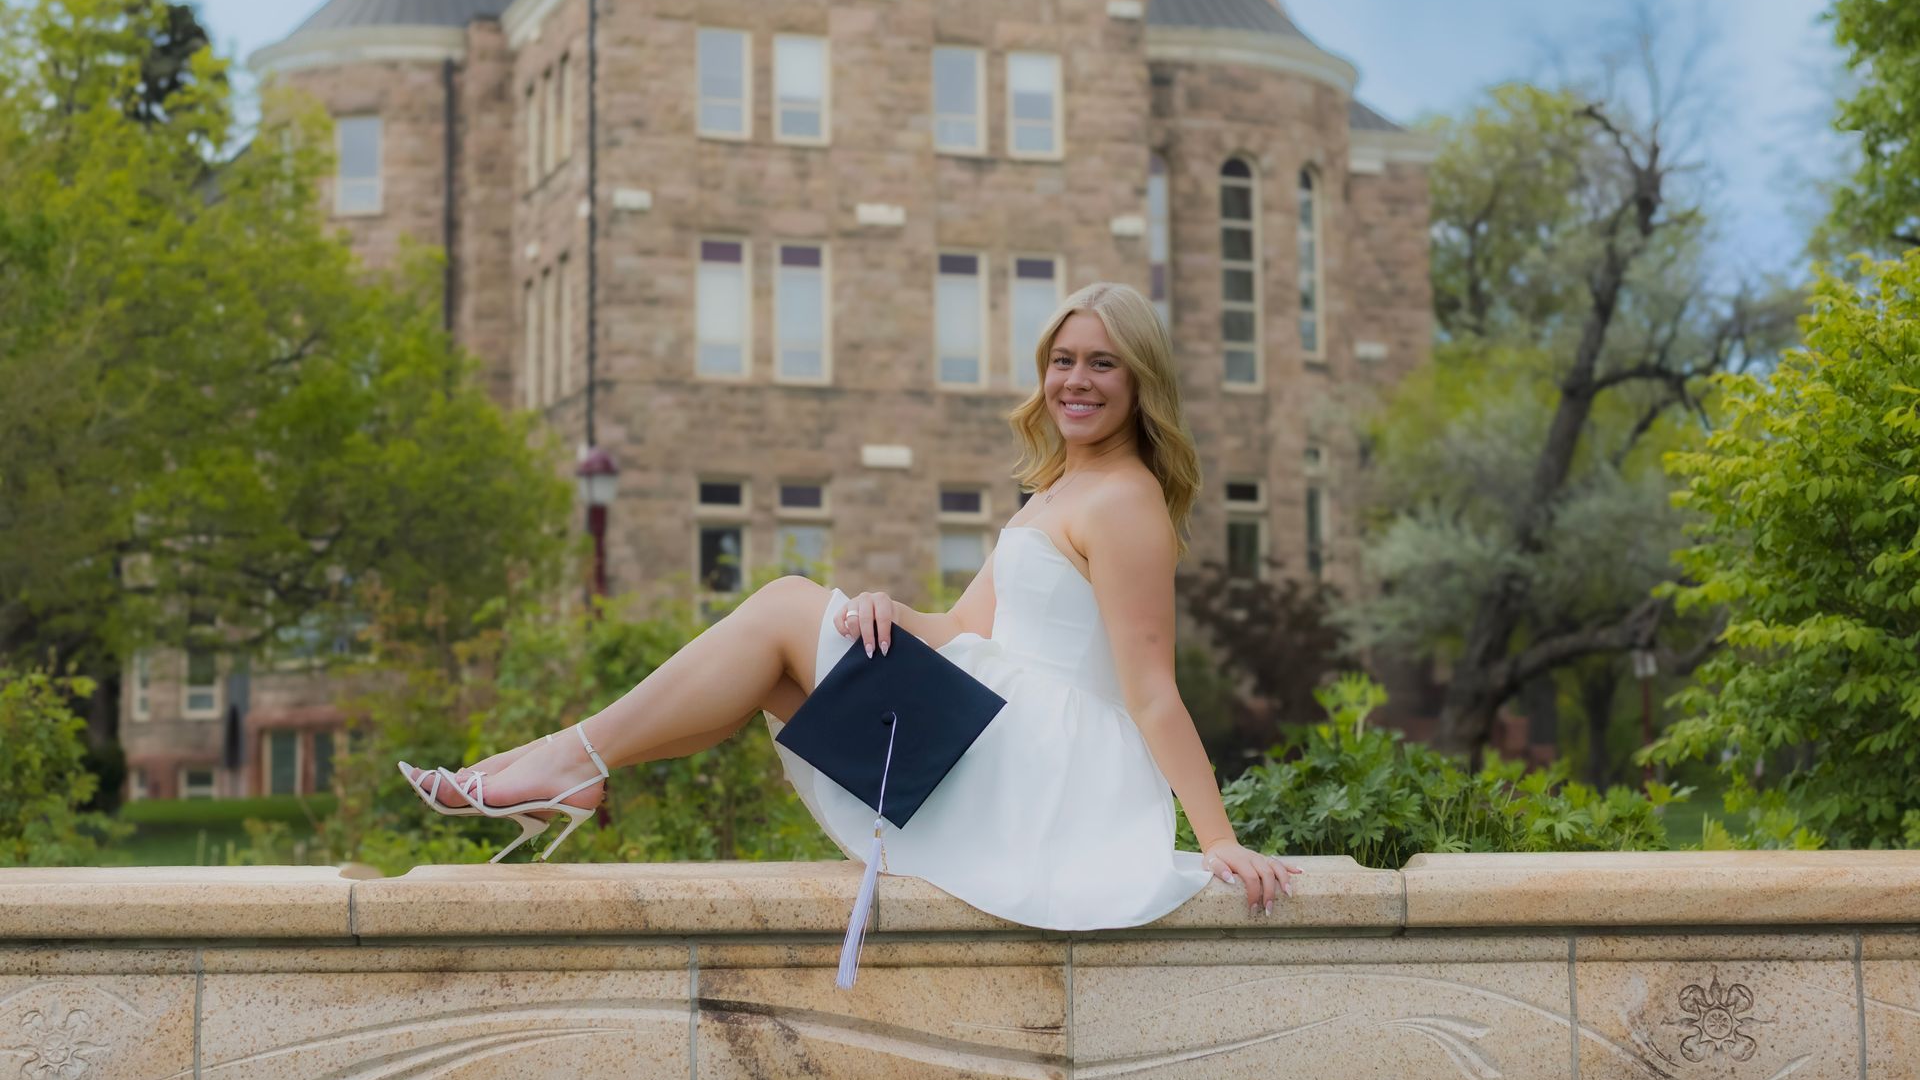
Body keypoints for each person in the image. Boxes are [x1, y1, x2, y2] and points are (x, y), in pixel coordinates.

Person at [402, 280, 1299, 924]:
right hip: (992, 720)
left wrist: (1216, 837)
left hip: (1046, 768)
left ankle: (568, 761)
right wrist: (879, 606)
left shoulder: (1129, 499)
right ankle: (573, 765)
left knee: (789, 606)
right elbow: (959, 629)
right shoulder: (1056, 492)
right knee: (786, 646)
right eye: (1062, 360)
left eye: (1102, 364)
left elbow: (1150, 689)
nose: (1075, 380)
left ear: (1140, 380)